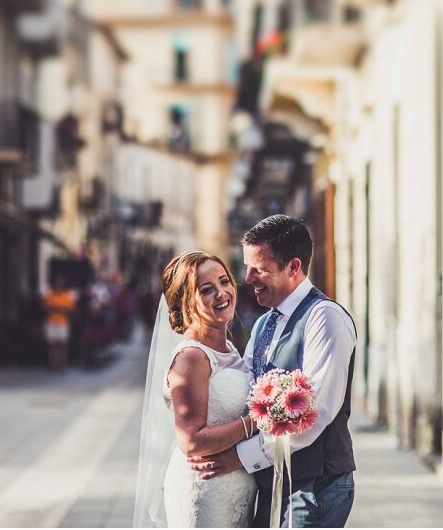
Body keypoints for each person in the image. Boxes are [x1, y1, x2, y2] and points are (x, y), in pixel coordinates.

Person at [188, 214, 358, 528]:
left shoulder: (325, 318)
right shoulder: (265, 322)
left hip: (313, 485)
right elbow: (246, 390)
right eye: (247, 267)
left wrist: (239, 458)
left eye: (259, 269)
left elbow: (314, 414)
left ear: (293, 267)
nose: (247, 277)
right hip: (270, 484)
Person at [133, 251, 259, 527]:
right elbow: (191, 441)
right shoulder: (192, 357)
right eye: (207, 289)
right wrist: (255, 422)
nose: (222, 293)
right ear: (187, 302)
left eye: (225, 281)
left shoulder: (227, 347)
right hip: (205, 491)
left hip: (235, 488)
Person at [42, 275, 76, 372]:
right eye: (57, 282)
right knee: (52, 345)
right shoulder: (49, 294)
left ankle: (62, 366)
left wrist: (55, 308)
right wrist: (59, 309)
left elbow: (70, 311)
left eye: (61, 283)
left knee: (62, 345)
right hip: (51, 323)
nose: (58, 284)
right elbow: (44, 308)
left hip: (63, 323)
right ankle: (53, 366)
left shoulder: (68, 295)